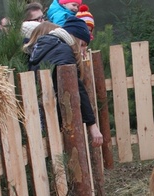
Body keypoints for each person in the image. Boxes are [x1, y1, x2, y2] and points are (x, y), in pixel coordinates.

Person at [23, 19, 103, 147]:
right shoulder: (63, 51)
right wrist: (92, 125)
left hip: (38, 109)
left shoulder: (44, 45)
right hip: (52, 111)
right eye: (82, 44)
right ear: (76, 38)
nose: (83, 50)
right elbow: (77, 87)